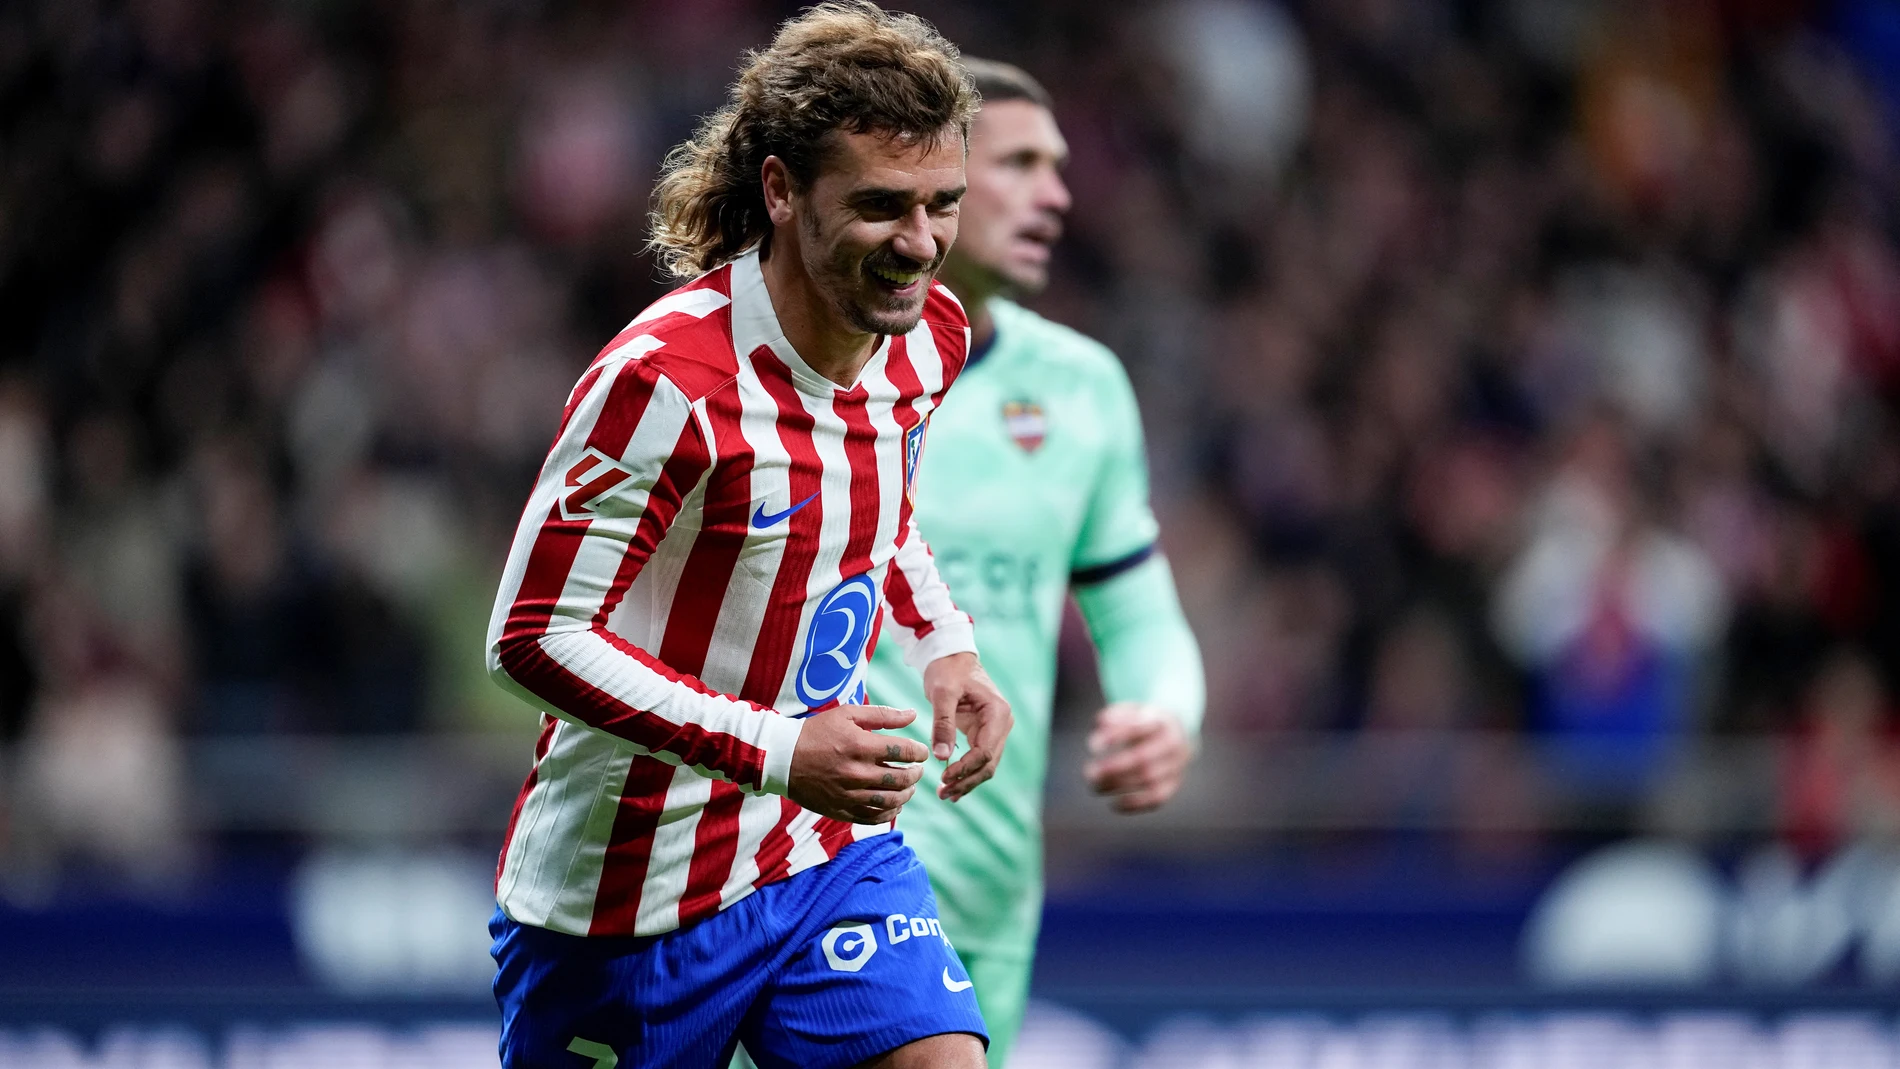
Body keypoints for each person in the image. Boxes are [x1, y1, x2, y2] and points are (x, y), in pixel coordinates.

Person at [482, 6, 1012, 1067]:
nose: (920, 245)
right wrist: (779, 749)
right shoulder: (665, 384)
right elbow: (531, 636)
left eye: (941, 205)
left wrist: (946, 640)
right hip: (628, 896)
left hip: (822, 851)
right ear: (780, 190)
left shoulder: (925, 335)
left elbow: (876, 499)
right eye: (880, 206)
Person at [862, 59, 1205, 1066]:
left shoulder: (1081, 387)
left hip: (993, 884)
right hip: (813, 869)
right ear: (930, 183)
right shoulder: (806, 372)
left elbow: (1137, 610)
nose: (1056, 192)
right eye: (1019, 163)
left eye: (1058, 167)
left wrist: (1161, 710)